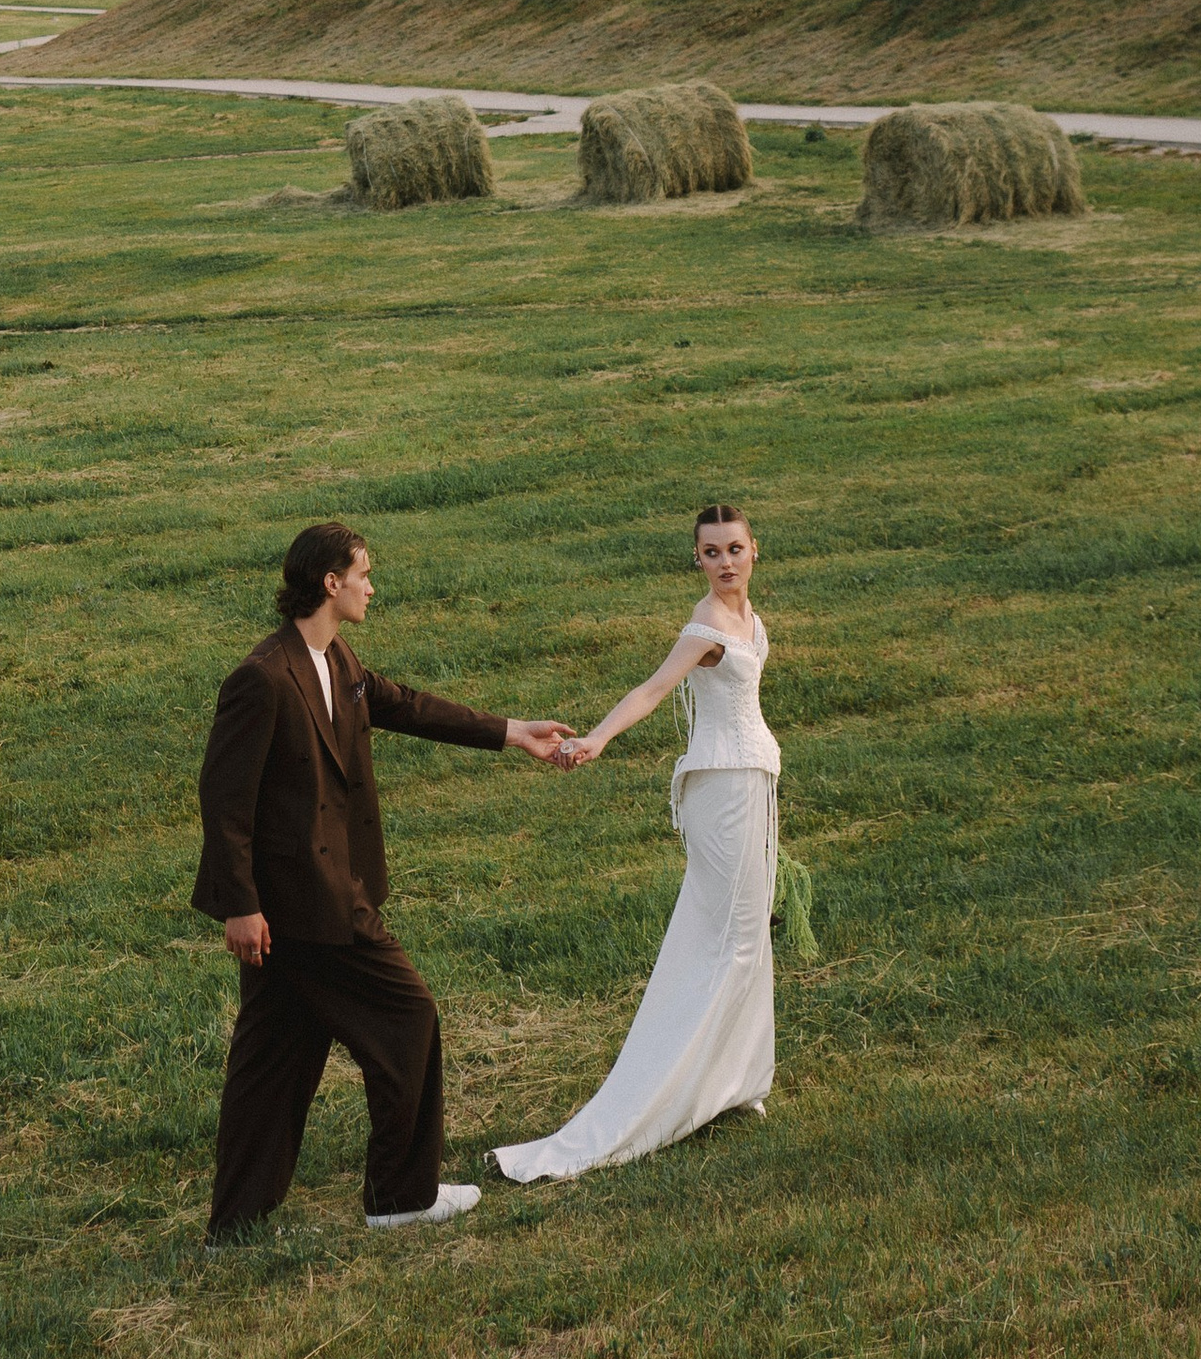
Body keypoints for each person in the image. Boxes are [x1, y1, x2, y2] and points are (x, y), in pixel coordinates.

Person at [194, 521, 568, 1240]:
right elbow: (225, 800)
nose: (372, 585)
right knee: (409, 1019)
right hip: (308, 909)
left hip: (313, 903)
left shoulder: (334, 657)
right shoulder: (263, 677)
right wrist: (239, 907)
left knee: (272, 1066)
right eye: (363, 573)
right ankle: (400, 1197)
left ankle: (235, 1227)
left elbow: (404, 705)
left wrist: (511, 730)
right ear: (329, 583)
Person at [495, 503, 783, 1184]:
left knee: (747, 934)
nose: (724, 562)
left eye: (734, 549)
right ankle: (679, 1092)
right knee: (728, 938)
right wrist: (597, 736)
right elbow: (653, 689)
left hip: (754, 779)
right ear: (698, 559)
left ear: (753, 551)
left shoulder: (749, 617)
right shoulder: (707, 625)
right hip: (724, 790)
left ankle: (735, 1078)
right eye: (711, 553)